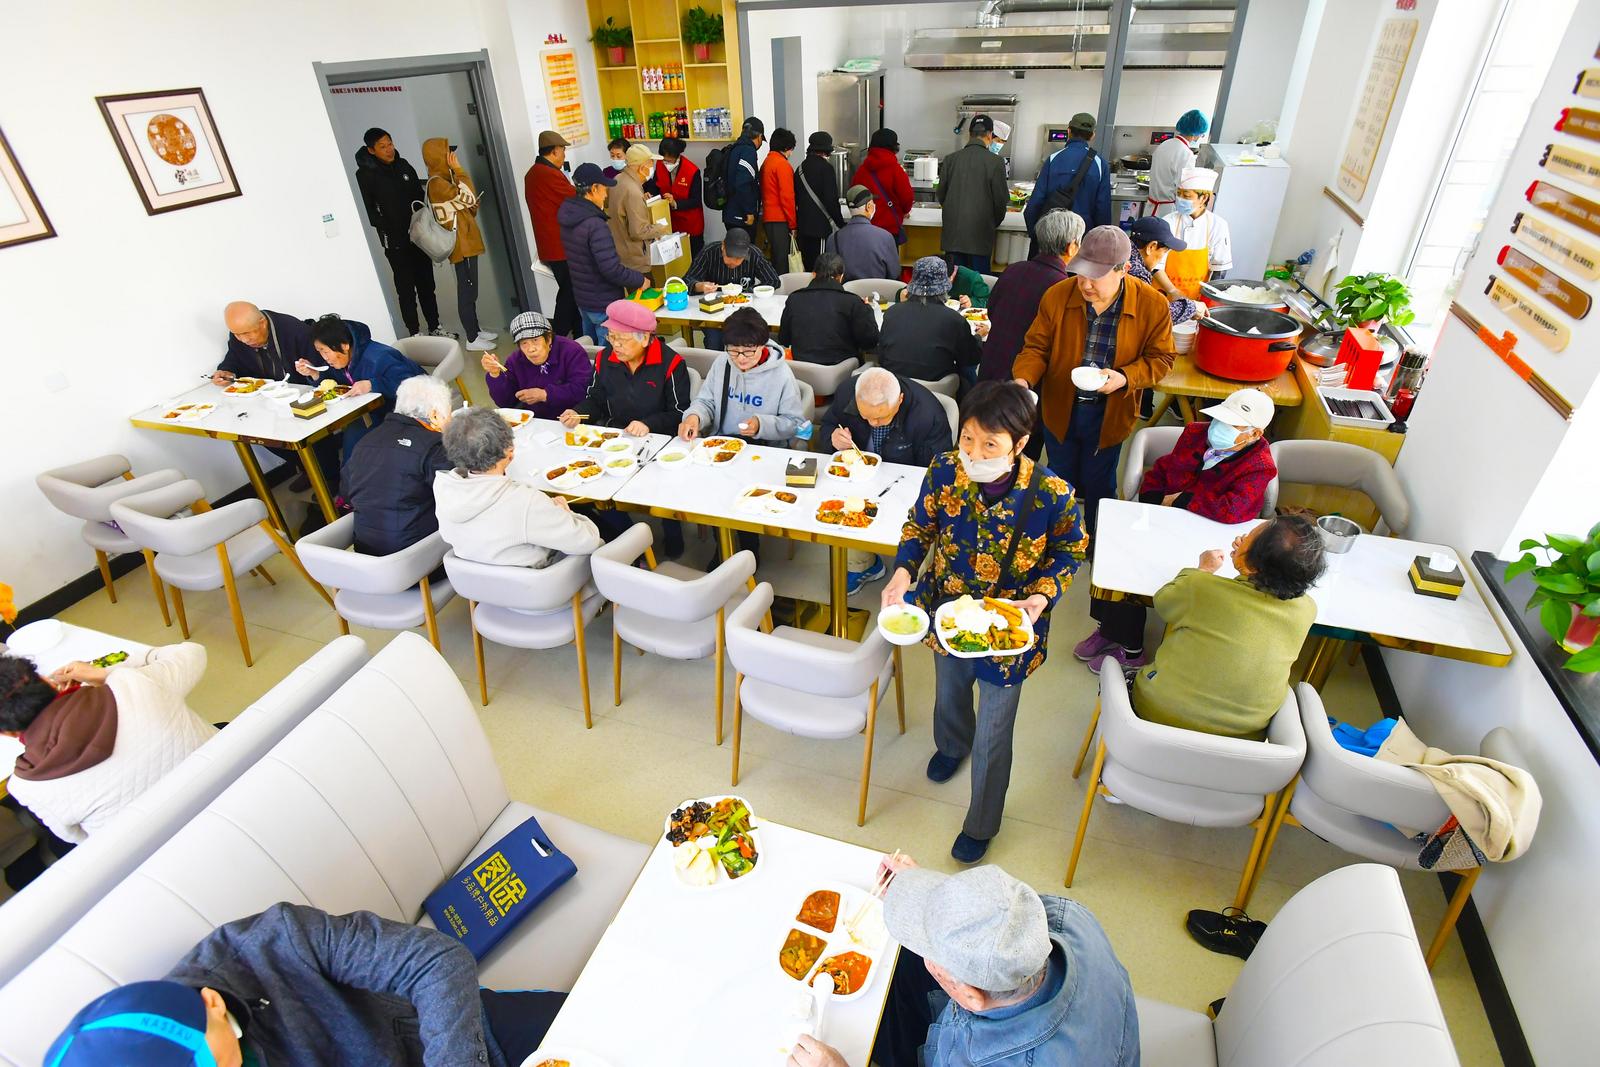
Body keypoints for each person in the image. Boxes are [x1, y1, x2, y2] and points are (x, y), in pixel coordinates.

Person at [882, 383, 1087, 862]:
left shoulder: (1052, 494)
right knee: (949, 691)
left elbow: (1071, 550)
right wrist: (903, 571)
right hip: (949, 609)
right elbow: (920, 526)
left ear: (1020, 443)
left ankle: (981, 823)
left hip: (1010, 625)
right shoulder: (945, 469)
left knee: (995, 731)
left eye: (990, 444)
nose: (974, 454)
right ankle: (952, 745)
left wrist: (1042, 596)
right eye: (968, 439)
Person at [45, 902, 566, 1067]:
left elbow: (435, 961)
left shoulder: (272, 942)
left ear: (211, 1003)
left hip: (446, 1039)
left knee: (605, 1032)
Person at [789, 860, 1139, 1067]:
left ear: (971, 996)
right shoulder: (1068, 918)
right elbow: (998, 920)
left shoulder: (971, 1059)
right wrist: (936, 899)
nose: (928, 960)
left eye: (935, 961)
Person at [1078, 388, 1278, 671]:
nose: (1218, 428)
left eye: (1230, 425)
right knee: (1112, 554)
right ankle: (1107, 628)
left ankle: (1131, 650)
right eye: (1219, 419)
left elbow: (1233, 508)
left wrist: (1181, 500)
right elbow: (1165, 468)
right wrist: (1153, 497)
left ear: (1254, 434)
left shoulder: (1260, 465)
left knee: (1143, 568)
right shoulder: (1196, 432)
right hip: (1163, 516)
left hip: (1207, 533)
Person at [1011, 225, 1175, 539]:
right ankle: (1060, 539)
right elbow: (1036, 347)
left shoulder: (1152, 305)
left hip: (1110, 412)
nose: (1085, 284)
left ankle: (1097, 541)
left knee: (1100, 483)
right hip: (1060, 406)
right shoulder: (1058, 295)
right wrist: (1023, 381)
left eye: (1096, 277)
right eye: (1081, 273)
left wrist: (1125, 377)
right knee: (1059, 480)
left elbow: (1162, 359)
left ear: (1124, 270)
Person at [1133, 514, 1325, 740]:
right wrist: (1249, 560)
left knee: (1131, 675)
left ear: (1253, 565)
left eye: (1248, 537)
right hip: (1242, 739)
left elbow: (1163, 603)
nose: (1241, 538)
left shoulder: (1200, 587)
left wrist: (1203, 570)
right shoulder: (1307, 610)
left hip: (1159, 714)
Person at [1, 643, 212, 844]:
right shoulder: (132, 684)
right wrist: (103, 674)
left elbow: (83, 840)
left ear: (6, 733)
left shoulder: (25, 788)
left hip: (168, 850)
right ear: (46, 681)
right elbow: (193, 652)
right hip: (224, 780)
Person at [558, 300, 690, 557]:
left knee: (662, 489)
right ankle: (627, 537)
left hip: (658, 440)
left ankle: (672, 532)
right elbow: (595, 399)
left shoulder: (671, 363)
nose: (614, 344)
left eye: (621, 339)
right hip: (616, 436)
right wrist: (578, 412)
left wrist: (648, 424)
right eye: (611, 336)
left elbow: (679, 412)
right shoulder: (604, 358)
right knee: (595, 487)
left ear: (645, 339)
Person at [681, 307, 806, 559]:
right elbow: (706, 401)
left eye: (748, 351)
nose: (740, 359)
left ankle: (749, 549)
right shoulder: (722, 364)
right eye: (733, 351)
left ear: (762, 345)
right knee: (712, 492)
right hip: (723, 445)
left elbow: (795, 423)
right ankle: (722, 547)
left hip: (764, 449)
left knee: (745, 493)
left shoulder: (781, 374)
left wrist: (761, 425)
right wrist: (694, 416)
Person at [821, 367, 951, 593]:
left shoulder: (927, 414)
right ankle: (862, 565)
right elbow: (828, 424)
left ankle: (914, 582)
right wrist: (832, 437)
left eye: (881, 417)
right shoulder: (848, 392)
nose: (873, 423)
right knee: (846, 506)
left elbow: (935, 471)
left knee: (925, 517)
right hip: (862, 475)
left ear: (899, 400)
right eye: (865, 416)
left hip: (907, 480)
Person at [435, 406, 603, 569]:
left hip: (474, 578)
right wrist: (566, 513)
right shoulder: (526, 501)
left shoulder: (445, 487)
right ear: (509, 451)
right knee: (603, 533)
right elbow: (589, 542)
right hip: (542, 580)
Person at [215, 301, 340, 492]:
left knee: (311, 427)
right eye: (237, 334)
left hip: (302, 392)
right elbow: (233, 357)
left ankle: (330, 476)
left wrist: (310, 370)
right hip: (269, 396)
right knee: (258, 432)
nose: (243, 339)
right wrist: (226, 370)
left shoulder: (295, 331)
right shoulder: (238, 335)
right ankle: (308, 469)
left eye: (247, 333)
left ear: (262, 323)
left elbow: (322, 368)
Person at [341, 376, 454, 557]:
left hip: (365, 555)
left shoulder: (365, 441)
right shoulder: (435, 446)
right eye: (449, 413)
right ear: (434, 415)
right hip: (416, 557)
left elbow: (346, 493)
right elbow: (457, 498)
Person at [299, 315, 426, 458]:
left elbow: (412, 385)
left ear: (345, 345)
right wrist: (315, 374)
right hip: (373, 412)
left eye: (326, 351)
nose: (324, 357)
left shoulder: (379, 357)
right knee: (353, 439)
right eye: (320, 352)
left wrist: (372, 384)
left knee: (357, 440)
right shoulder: (343, 359)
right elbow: (336, 382)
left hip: (409, 413)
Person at [354, 127, 441, 338]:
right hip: (395, 241)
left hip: (418, 237)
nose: (389, 149)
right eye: (382, 147)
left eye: (390, 144)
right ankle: (415, 333)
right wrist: (390, 226)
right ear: (371, 150)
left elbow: (419, 197)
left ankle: (435, 326)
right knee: (406, 288)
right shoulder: (365, 175)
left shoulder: (404, 166)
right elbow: (369, 211)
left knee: (427, 284)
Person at [979, 209, 1083, 383]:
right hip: (1023, 377)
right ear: (1071, 247)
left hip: (991, 365)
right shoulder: (1063, 287)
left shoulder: (1013, 269)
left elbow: (992, 311)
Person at [558, 162, 647, 346]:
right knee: (608, 355)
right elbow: (610, 269)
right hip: (603, 302)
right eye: (604, 189)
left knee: (591, 351)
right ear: (594, 189)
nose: (606, 195)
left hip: (583, 299)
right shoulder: (595, 224)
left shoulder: (569, 218)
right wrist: (639, 280)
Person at [422, 138, 496, 353]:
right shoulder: (437, 183)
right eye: (449, 153)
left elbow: (469, 206)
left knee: (471, 289)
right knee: (467, 291)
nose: (453, 157)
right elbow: (468, 198)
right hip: (460, 246)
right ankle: (472, 338)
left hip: (467, 241)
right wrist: (460, 170)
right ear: (438, 157)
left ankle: (476, 329)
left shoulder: (448, 179)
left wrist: (470, 199)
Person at [877, 256, 985, 385]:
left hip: (894, 386)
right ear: (945, 287)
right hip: (938, 389)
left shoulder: (891, 313)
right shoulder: (954, 320)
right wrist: (978, 337)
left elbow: (882, 356)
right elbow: (971, 359)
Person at [482, 310, 593, 421]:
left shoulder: (571, 351)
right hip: (535, 421)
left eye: (535, 340)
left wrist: (545, 394)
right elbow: (505, 403)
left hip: (571, 419)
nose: (531, 349)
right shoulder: (515, 360)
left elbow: (584, 391)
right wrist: (495, 375)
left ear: (549, 338)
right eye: (524, 343)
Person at [523, 130, 581, 337]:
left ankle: (580, 335)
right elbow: (574, 197)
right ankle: (556, 338)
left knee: (572, 292)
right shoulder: (547, 174)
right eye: (563, 149)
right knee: (570, 293)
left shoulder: (533, 172)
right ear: (554, 151)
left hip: (550, 245)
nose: (564, 153)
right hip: (560, 246)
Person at [681, 227, 779, 349]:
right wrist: (699, 286)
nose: (733, 262)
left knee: (748, 340)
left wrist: (750, 291)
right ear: (723, 246)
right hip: (714, 310)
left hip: (745, 310)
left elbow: (773, 280)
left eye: (739, 259)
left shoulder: (754, 254)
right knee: (714, 340)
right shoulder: (709, 253)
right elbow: (686, 281)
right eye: (729, 257)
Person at [777, 251, 879, 366]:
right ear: (841, 277)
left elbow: (784, 339)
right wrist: (867, 310)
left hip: (801, 371)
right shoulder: (853, 302)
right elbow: (870, 342)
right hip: (843, 372)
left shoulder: (794, 299)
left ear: (813, 274)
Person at [937, 114, 1009, 275]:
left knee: (954, 281)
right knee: (978, 283)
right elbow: (1000, 201)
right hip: (980, 237)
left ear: (969, 134)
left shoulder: (950, 159)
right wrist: (991, 223)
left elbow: (941, 195)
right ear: (990, 135)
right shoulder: (996, 162)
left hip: (953, 238)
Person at [1024, 112, 1110, 238]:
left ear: (1069, 131)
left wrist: (1036, 236)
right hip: (1084, 237)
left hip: (1052, 235)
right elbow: (1103, 210)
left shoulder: (1052, 160)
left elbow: (1034, 206)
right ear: (1092, 135)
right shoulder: (1100, 164)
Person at [1160, 166, 1233, 296]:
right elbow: (1156, 265)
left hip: (1197, 297)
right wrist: (1172, 291)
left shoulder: (1218, 225)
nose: (1180, 199)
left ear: (1204, 198)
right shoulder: (1168, 221)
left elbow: (1219, 268)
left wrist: (1208, 297)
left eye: (1186, 196)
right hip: (1163, 293)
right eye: (1179, 194)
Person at [1126, 215, 1204, 326]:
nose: (1162, 257)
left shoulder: (1122, 253)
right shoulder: (1136, 272)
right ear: (1151, 247)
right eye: (1164, 252)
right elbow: (1152, 315)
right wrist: (1193, 307)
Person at [609, 142, 670, 275]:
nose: (652, 168)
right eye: (651, 164)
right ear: (642, 168)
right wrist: (660, 228)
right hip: (635, 260)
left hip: (620, 253)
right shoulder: (633, 191)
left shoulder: (618, 179)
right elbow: (638, 232)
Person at [852, 127, 913, 246]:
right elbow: (907, 198)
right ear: (894, 146)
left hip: (864, 229)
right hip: (889, 230)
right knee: (888, 258)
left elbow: (854, 194)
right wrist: (905, 211)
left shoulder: (861, 170)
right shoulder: (896, 170)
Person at [795, 131, 846, 270]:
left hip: (803, 226)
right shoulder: (826, 168)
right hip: (819, 228)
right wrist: (840, 223)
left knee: (808, 267)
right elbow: (831, 200)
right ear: (826, 150)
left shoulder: (800, 169)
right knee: (821, 267)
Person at [830, 184, 900, 283]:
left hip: (846, 291)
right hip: (877, 291)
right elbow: (894, 273)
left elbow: (832, 273)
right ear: (868, 206)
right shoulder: (886, 237)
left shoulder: (833, 238)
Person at [649, 136, 704, 257]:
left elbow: (696, 201)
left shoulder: (692, 171)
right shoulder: (660, 164)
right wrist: (650, 194)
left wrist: (675, 203)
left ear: (677, 156)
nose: (665, 163)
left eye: (668, 160)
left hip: (690, 223)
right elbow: (655, 186)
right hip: (669, 222)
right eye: (664, 159)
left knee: (694, 256)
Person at [1147, 108, 1208, 214]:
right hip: (1167, 212)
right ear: (1195, 134)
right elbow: (1184, 190)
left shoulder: (1164, 144)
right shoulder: (1186, 154)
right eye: (1201, 134)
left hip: (1151, 208)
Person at [760, 127, 798, 269]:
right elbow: (787, 197)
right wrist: (793, 225)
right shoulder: (782, 165)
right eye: (791, 149)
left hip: (768, 217)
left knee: (776, 258)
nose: (791, 153)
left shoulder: (767, 162)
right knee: (783, 262)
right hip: (780, 219)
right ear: (786, 148)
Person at [723, 116, 766, 238]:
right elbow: (743, 183)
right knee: (745, 249)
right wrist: (749, 211)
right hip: (741, 216)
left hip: (730, 212)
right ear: (759, 137)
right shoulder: (748, 151)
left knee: (734, 247)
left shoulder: (734, 148)